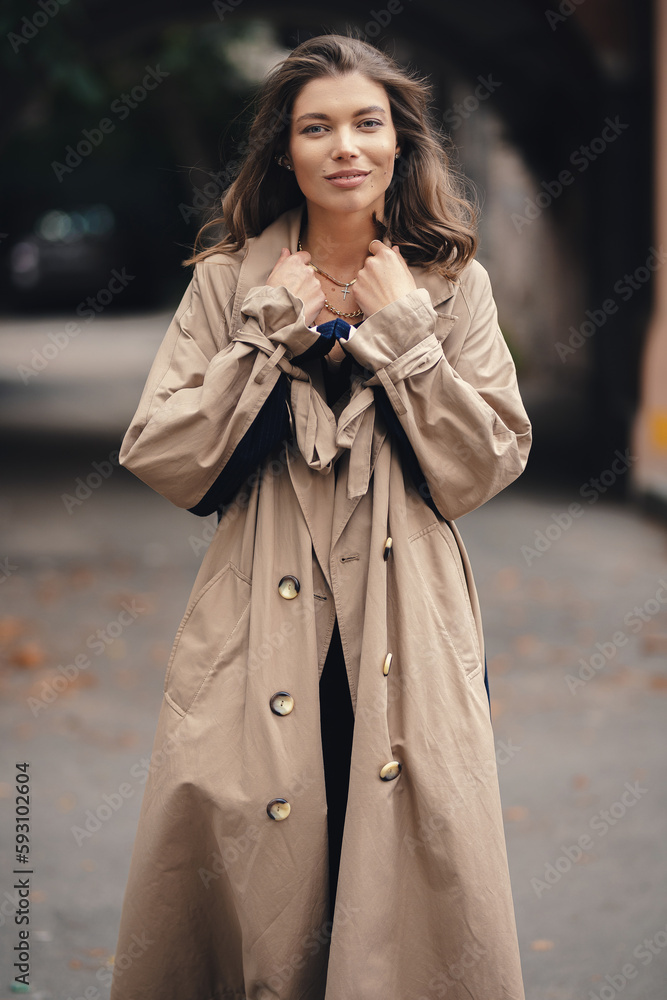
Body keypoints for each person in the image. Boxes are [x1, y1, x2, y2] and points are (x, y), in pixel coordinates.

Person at [110, 32, 532, 1000]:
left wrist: (404, 336)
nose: (345, 145)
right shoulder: (227, 283)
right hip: (257, 620)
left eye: (366, 123)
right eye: (317, 127)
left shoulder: (453, 286)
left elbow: (486, 460)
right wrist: (262, 332)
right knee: (256, 870)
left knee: (408, 874)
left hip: (405, 627)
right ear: (286, 151)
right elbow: (162, 450)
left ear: (398, 144)